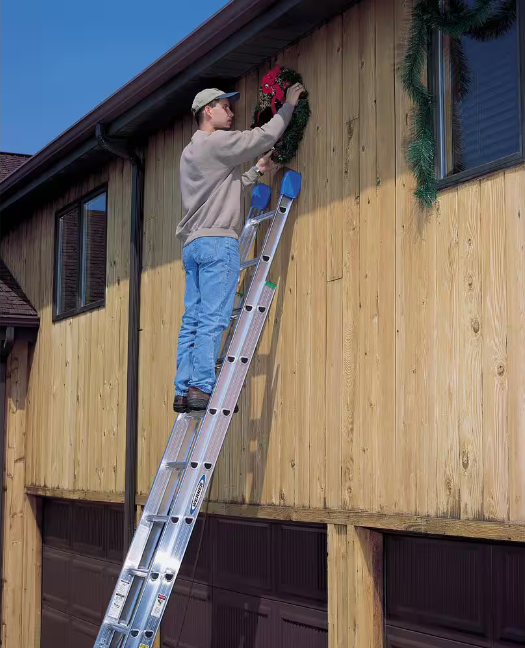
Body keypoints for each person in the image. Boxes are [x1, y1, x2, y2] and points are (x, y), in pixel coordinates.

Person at [173, 82, 304, 412]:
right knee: (214, 319)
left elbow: (222, 191)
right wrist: (287, 105)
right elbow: (260, 138)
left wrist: (255, 172)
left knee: (193, 319)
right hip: (218, 244)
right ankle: (202, 388)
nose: (231, 113)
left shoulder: (190, 152)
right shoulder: (216, 142)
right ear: (208, 110)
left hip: (193, 245)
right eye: (225, 108)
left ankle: (182, 389)